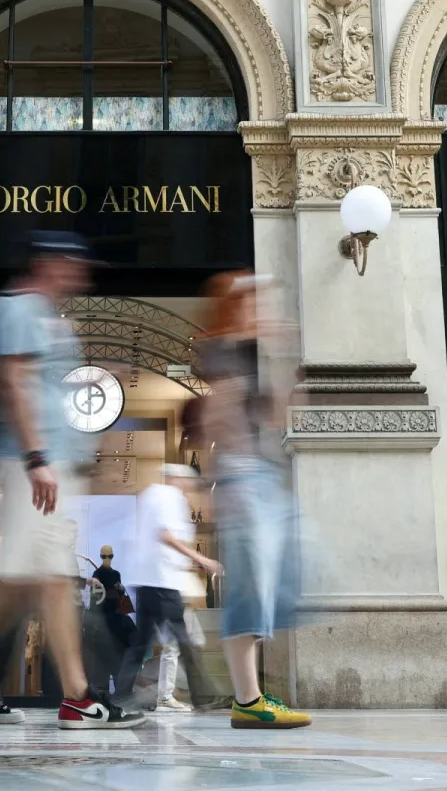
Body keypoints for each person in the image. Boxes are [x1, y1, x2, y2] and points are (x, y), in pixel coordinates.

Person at [0, 231, 144, 730]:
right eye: (73, 263)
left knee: (19, 587)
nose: (81, 274)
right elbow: (14, 382)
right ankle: (76, 696)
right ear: (49, 263)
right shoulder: (19, 309)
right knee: (51, 582)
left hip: (46, 468)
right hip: (32, 468)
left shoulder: (45, 317)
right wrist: (36, 458)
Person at [198, 271, 310, 729]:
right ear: (236, 305)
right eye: (253, 301)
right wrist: (224, 484)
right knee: (251, 587)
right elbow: (216, 414)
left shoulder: (247, 356)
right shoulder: (224, 352)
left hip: (260, 476)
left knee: (282, 580)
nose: (261, 310)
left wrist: (285, 361)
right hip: (243, 477)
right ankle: (248, 699)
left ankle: (252, 695)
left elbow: (273, 412)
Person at [116, 463, 220, 710]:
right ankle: (203, 696)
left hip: (147, 581)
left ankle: (120, 695)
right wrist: (201, 559)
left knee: (141, 642)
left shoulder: (150, 496)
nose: (189, 487)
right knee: (183, 639)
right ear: (179, 479)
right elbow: (166, 535)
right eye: (188, 483)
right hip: (163, 581)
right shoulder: (170, 497)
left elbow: (132, 538)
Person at [92, 544, 136, 695]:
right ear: (100, 557)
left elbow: (118, 598)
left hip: (116, 621)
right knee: (104, 660)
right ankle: (105, 691)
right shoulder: (97, 574)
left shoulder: (115, 574)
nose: (107, 559)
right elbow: (97, 598)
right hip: (105, 621)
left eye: (109, 556)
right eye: (104, 556)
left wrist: (120, 590)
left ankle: (122, 690)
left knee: (119, 657)